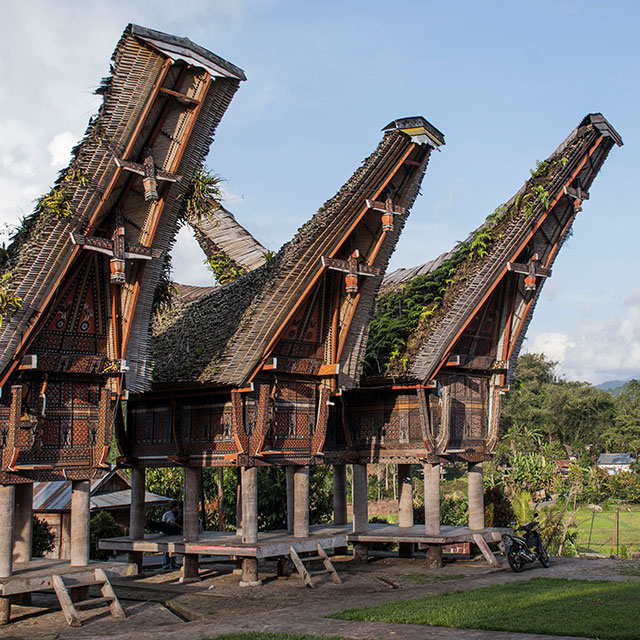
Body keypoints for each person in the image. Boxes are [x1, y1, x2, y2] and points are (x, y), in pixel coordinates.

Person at [146, 501, 182, 570]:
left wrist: (174, 524)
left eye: (179, 509)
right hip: (167, 532)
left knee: (172, 550)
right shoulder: (168, 514)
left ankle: (172, 564)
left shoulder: (178, 515)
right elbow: (163, 522)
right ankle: (166, 564)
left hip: (174, 532)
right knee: (162, 525)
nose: (178, 510)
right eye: (177, 508)